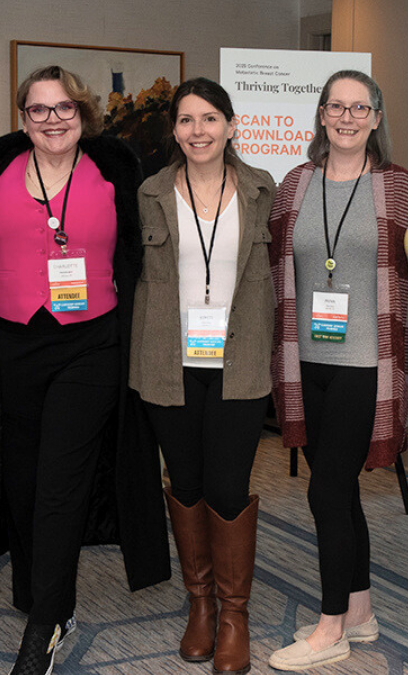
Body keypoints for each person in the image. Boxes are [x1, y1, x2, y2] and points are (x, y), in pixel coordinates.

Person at [0, 65, 169, 675]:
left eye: (64, 108)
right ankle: (52, 596)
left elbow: (147, 249)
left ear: (84, 113)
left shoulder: (116, 171)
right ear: (23, 117)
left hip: (91, 346)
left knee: (59, 482)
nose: (53, 119)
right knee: (20, 481)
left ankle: (44, 622)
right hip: (11, 347)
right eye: (39, 109)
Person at [265, 70, 408, 671]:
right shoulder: (294, 184)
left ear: (377, 118)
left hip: (366, 363)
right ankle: (359, 612)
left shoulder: (397, 185)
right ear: (322, 115)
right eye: (337, 106)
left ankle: (328, 627)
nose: (347, 117)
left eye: (360, 108)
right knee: (341, 487)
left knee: (326, 487)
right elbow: (277, 261)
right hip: (306, 360)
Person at [130, 77, 275, 675]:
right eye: (186, 120)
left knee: (228, 485)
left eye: (210, 118)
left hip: (239, 360)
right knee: (185, 480)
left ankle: (234, 614)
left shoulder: (263, 189)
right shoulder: (149, 192)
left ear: (232, 125)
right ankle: (201, 607)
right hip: (169, 359)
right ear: (175, 130)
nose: (198, 131)